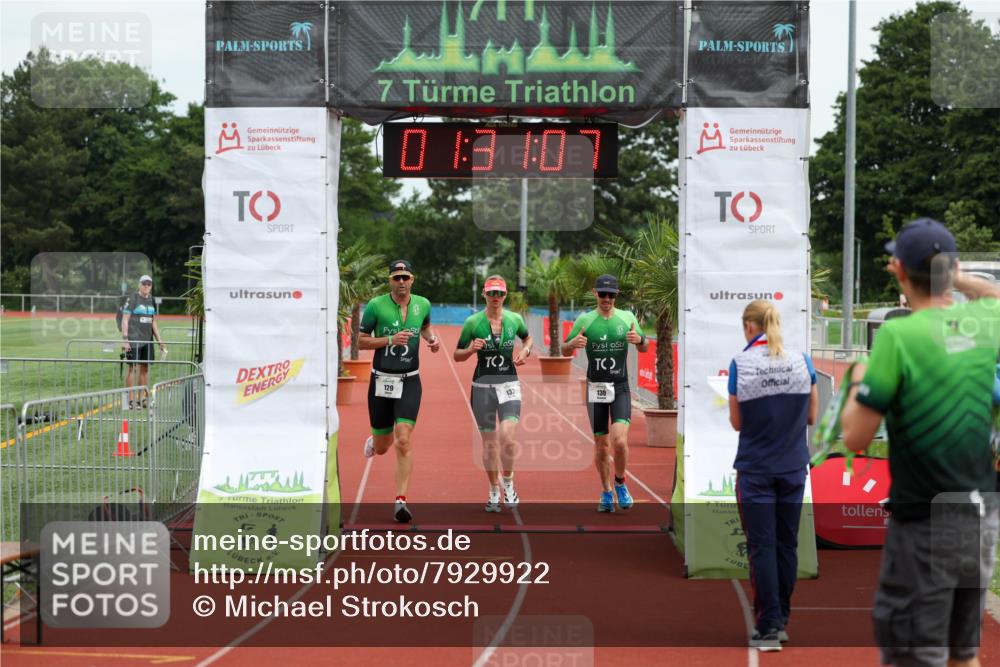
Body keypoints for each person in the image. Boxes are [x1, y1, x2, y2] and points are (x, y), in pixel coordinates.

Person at [840, 218, 1000, 667]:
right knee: (963, 652)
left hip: (924, 520)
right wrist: (956, 275)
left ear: (899, 269)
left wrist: (856, 383)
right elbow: (995, 297)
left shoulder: (897, 336)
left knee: (916, 655)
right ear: (949, 270)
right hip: (979, 514)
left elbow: (855, 437)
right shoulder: (980, 323)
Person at [727, 299, 818, 652]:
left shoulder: (741, 363)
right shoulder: (802, 362)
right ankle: (781, 621)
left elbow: (737, 422)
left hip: (756, 468)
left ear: (750, 326)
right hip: (793, 466)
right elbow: (811, 417)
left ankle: (767, 626)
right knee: (786, 544)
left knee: (761, 547)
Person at [358, 260, 440, 523]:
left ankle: (400, 501)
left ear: (412, 279)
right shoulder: (375, 306)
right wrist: (390, 340)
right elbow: (360, 339)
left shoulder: (423, 304)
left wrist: (431, 339)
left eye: (405, 277)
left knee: (403, 438)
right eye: (396, 278)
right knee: (383, 447)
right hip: (381, 380)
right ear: (390, 281)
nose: (401, 282)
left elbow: (425, 326)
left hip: (410, 380)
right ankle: (376, 441)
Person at [562, 275, 649, 512]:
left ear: (617, 295)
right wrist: (573, 344)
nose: (607, 299)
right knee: (601, 445)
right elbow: (564, 347)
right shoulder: (585, 320)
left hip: (620, 386)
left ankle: (620, 482)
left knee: (619, 441)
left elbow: (645, 346)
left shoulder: (627, 318)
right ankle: (606, 491)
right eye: (603, 294)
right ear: (595, 294)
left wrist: (639, 339)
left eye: (611, 295)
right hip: (597, 388)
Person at [455, 275, 534, 512]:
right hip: (482, 388)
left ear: (505, 295)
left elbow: (527, 338)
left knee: (507, 437)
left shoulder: (514, 319)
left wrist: (526, 351)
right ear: (484, 294)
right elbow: (457, 355)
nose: (495, 298)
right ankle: (492, 488)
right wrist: (470, 349)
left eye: (499, 293)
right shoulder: (472, 322)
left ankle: (508, 482)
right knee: (489, 445)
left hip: (509, 384)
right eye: (491, 293)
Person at [122, 275, 166, 409]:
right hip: (134, 339)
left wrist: (159, 340)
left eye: (149, 284)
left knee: (144, 369)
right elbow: (125, 319)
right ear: (139, 284)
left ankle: (143, 399)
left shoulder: (152, 300)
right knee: (132, 369)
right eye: (144, 283)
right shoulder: (133, 298)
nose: (147, 286)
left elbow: (153, 322)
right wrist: (125, 340)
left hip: (147, 340)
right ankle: (130, 401)